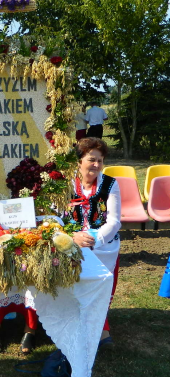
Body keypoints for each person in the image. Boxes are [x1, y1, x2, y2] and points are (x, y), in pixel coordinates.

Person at [68, 137, 121, 346]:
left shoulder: (110, 183)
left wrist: (93, 240)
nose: (96, 165)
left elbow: (114, 221)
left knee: (99, 287)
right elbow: (54, 218)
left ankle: (100, 327)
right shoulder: (65, 184)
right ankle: (74, 325)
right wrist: (73, 237)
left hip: (102, 244)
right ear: (79, 161)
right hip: (70, 241)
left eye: (100, 160)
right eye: (91, 159)